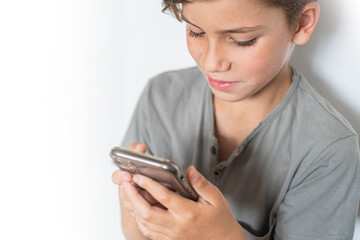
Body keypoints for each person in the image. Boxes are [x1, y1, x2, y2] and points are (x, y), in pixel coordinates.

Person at [111, 0, 360, 239]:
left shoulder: (329, 148)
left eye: (243, 41)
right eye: (196, 32)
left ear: (302, 23)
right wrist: (134, 204)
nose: (211, 63)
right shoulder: (161, 96)